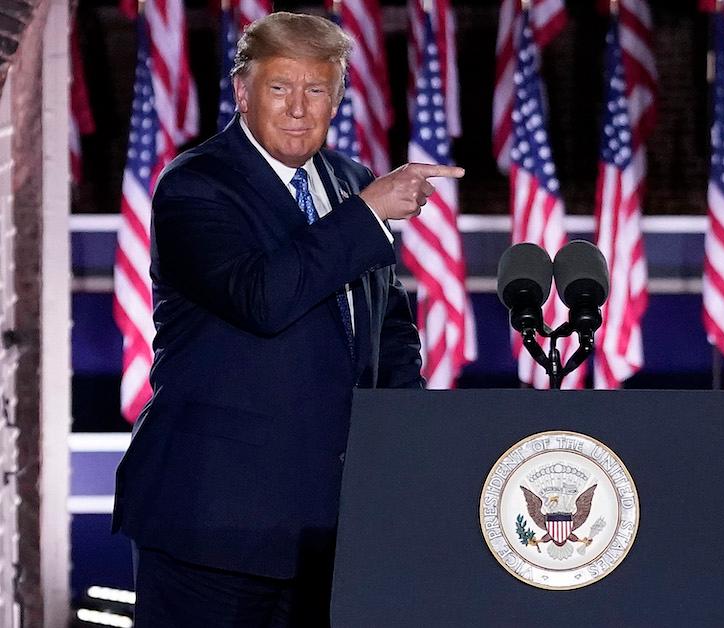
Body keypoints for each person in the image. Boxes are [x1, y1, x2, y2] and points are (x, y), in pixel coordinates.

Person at [112, 12, 463, 626]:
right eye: (280, 88)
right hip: (213, 526)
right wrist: (369, 212)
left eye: (317, 90)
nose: (299, 108)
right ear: (244, 92)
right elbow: (262, 298)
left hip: (329, 534)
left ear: (338, 97)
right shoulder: (197, 184)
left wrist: (411, 449)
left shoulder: (349, 182)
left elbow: (387, 335)